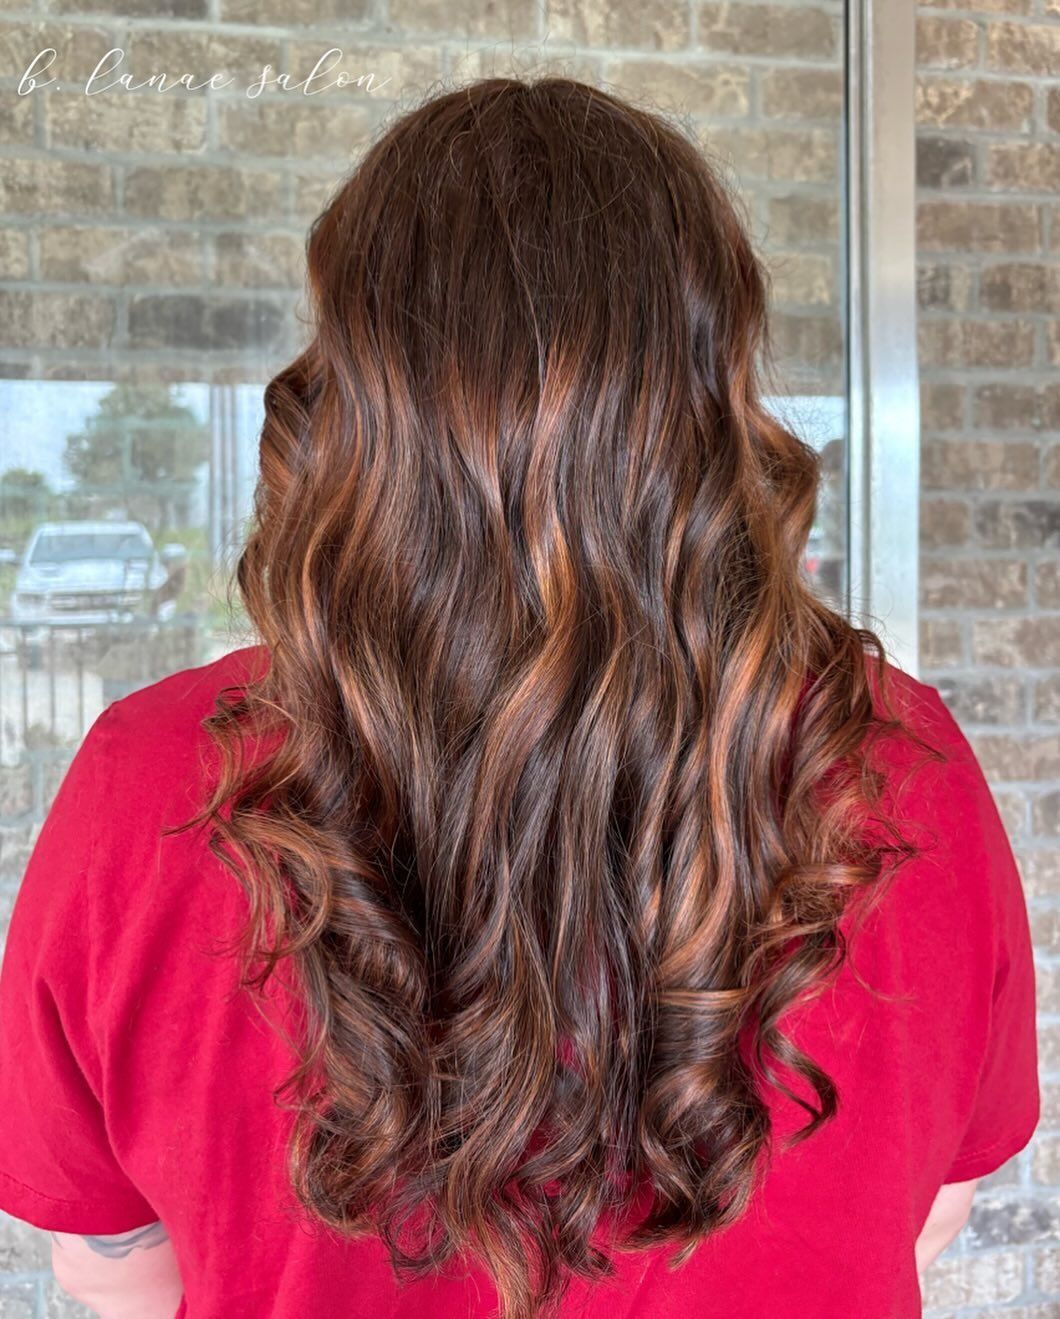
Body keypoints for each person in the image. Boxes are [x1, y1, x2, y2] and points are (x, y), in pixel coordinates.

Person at [0, 76, 1039, 1319]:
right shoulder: (897, 761)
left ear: (358, 393)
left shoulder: (155, 780)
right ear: (710, 393)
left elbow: (105, 1257)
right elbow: (928, 1217)